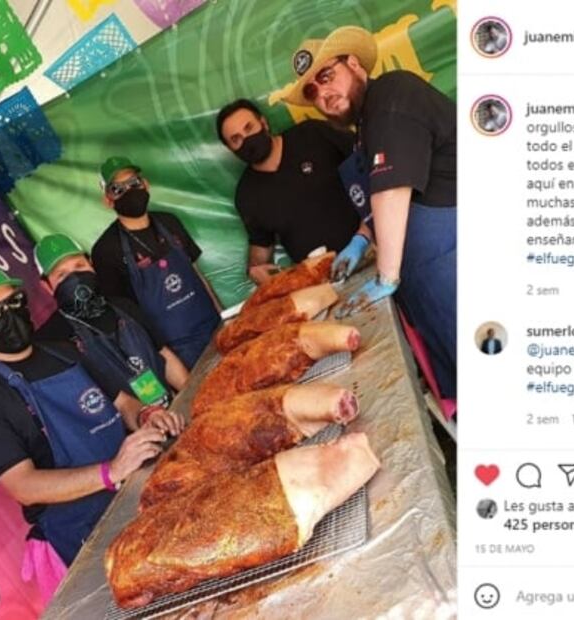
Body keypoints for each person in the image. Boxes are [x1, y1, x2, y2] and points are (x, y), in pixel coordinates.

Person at [284, 26, 457, 398]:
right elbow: (386, 192)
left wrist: (387, 277)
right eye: (312, 92)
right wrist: (361, 239)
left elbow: (393, 189)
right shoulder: (365, 128)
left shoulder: (393, 94)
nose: (323, 94)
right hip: (429, 280)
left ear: (354, 64)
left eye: (326, 76)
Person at [0, 267, 169, 568]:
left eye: (15, 302)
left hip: (141, 486)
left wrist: (148, 415)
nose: (10, 314)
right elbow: (24, 486)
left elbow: (124, 403)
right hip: (89, 530)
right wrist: (111, 471)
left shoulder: (64, 351)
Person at [34, 233, 189, 429]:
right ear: (46, 286)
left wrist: (190, 394)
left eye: (79, 266)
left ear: (91, 264)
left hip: (173, 415)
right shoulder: (51, 340)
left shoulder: (124, 306)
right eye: (62, 275)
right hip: (132, 438)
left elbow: (164, 355)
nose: (75, 278)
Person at [215, 99, 372, 284]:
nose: (246, 140)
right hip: (324, 283)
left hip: (375, 250)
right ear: (230, 149)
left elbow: (373, 171)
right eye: (236, 139)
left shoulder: (313, 134)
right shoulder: (246, 195)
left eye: (249, 128)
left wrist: (363, 237)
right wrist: (255, 269)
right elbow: (261, 242)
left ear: (263, 123)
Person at [91, 157, 222, 369]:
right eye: (118, 189)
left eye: (134, 183)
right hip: (178, 352)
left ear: (145, 184)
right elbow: (126, 319)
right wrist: (170, 366)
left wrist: (223, 318)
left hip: (215, 326)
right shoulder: (105, 250)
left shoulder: (169, 222)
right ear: (108, 200)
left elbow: (197, 273)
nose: (129, 191)